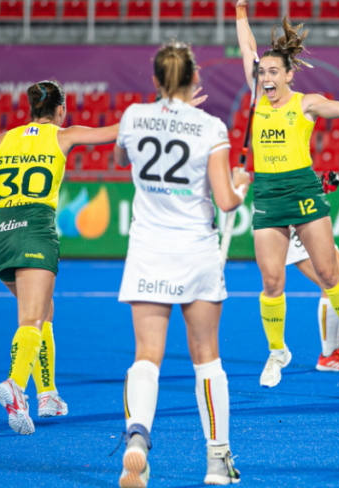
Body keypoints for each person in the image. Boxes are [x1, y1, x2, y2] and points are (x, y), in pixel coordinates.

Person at [235, 0, 339, 387]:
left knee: (330, 274)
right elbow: (246, 48)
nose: (266, 76)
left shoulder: (303, 103)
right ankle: (277, 352)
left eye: (274, 71)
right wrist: (240, 13)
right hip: (268, 194)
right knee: (272, 280)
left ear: (289, 74)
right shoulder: (257, 97)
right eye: (262, 71)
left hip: (304, 192)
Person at [0, 80, 122, 435]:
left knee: (44, 311)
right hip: (34, 232)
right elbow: (113, 132)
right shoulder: (63, 134)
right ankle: (15, 385)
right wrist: (163, 111)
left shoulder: (2, 140)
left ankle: (48, 395)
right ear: (60, 111)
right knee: (31, 317)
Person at [114, 42, 250, 487]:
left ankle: (137, 439)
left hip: (148, 249)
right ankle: (217, 461)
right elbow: (226, 202)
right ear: (195, 80)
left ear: (155, 81)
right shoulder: (209, 126)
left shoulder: (134, 117)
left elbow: (121, 159)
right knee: (207, 359)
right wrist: (240, 184)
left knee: (146, 357)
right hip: (195, 251)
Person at [285, 226, 339, 372]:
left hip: (313, 221)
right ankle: (330, 355)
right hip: (296, 223)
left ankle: (336, 352)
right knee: (333, 286)